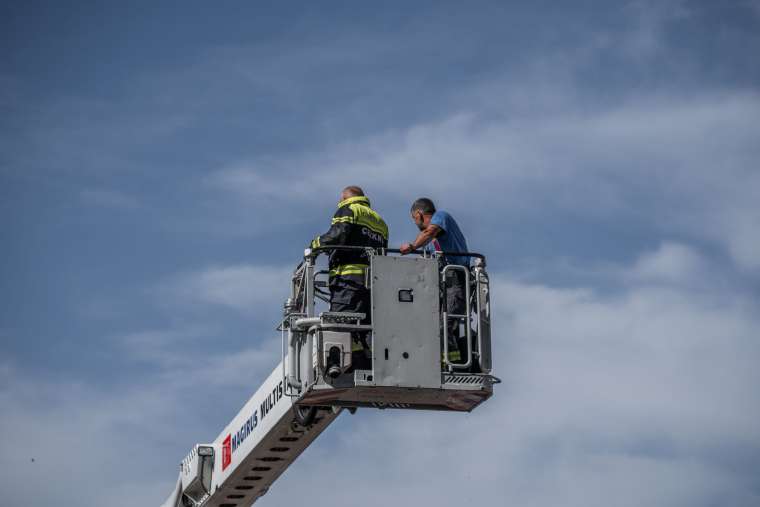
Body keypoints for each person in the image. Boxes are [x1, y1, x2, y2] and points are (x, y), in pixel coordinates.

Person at [310, 186, 388, 370]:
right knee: (366, 324)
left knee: (340, 319)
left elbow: (338, 235)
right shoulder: (381, 222)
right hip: (372, 280)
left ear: (344, 197)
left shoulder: (349, 209)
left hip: (348, 277)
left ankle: (335, 363)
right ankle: (367, 363)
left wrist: (315, 245)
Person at [399, 198, 472, 368]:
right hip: (443, 286)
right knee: (433, 325)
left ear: (419, 214)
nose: (415, 222)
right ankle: (438, 363)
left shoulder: (441, 217)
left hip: (456, 282)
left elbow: (429, 232)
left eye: (414, 219)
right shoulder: (432, 244)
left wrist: (412, 246)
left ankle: (452, 366)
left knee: (444, 327)